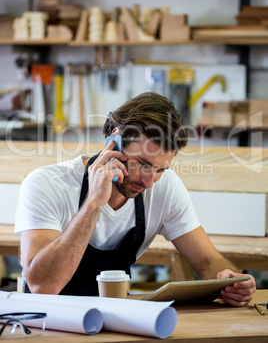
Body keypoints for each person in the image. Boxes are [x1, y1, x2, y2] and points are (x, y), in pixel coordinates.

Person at [15, 92, 256, 305]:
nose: (150, 182)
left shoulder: (165, 187)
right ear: (115, 141)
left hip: (117, 318)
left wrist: (230, 281)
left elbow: (206, 261)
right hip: (49, 322)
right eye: (143, 164)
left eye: (160, 170)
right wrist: (93, 204)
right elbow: (42, 287)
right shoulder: (46, 184)